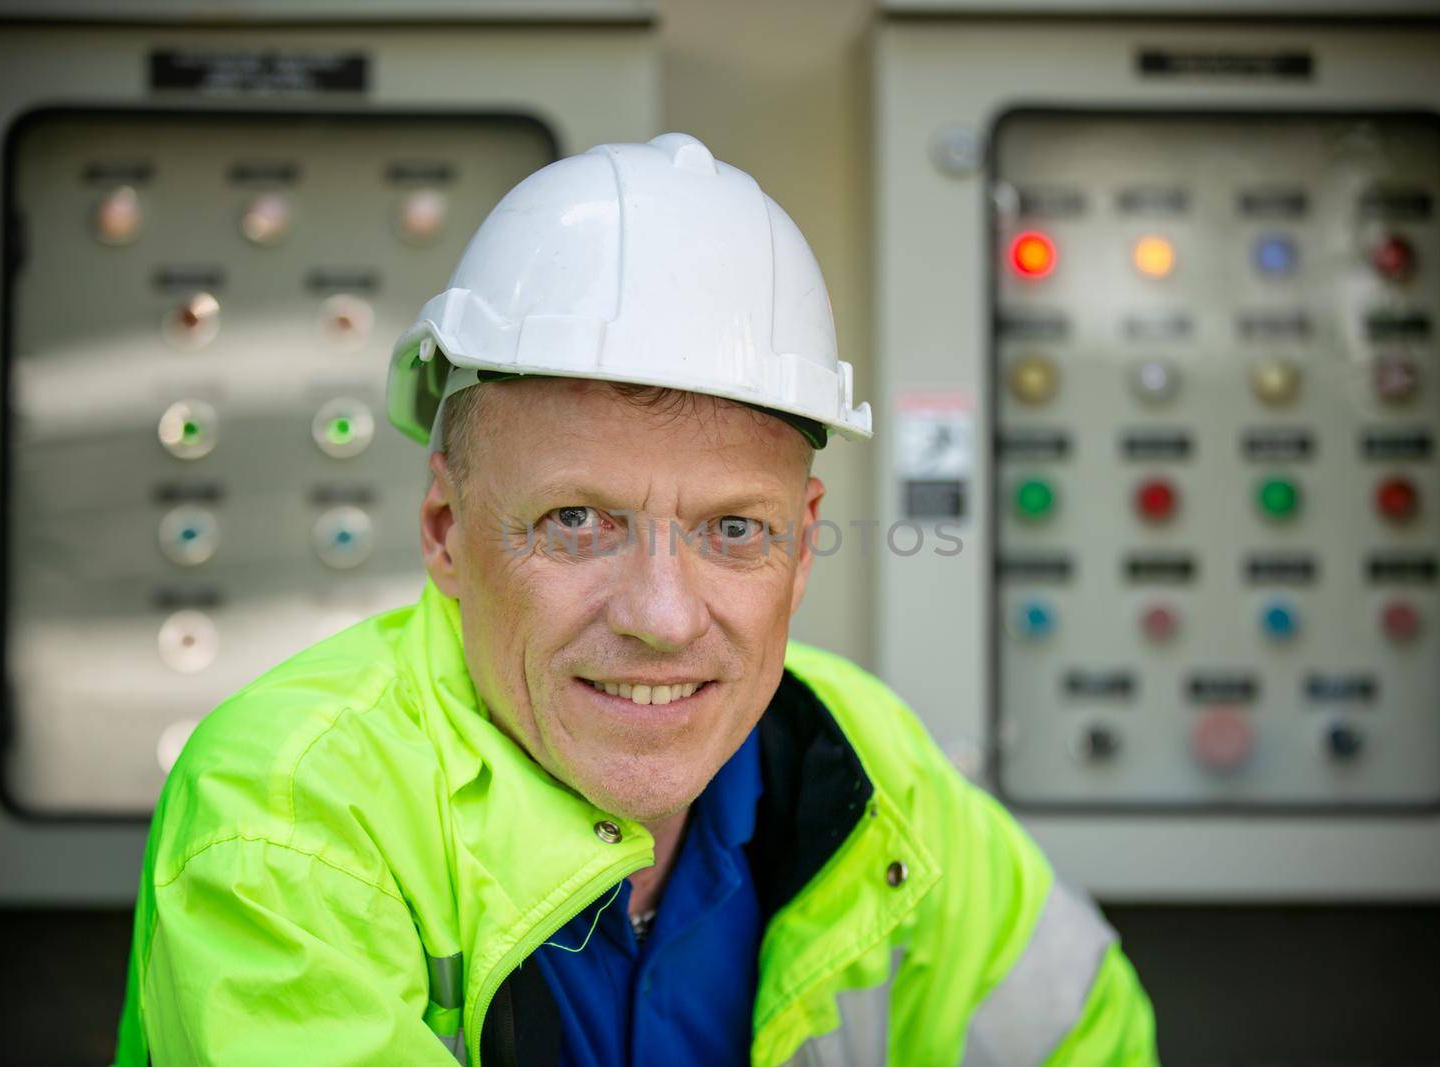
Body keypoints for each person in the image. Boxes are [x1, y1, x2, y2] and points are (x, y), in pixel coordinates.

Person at [114, 133, 1157, 1066]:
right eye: (576, 519)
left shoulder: (871, 769)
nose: (660, 615)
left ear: (798, 551)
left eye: (732, 530)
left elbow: (1087, 1037)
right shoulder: (288, 816)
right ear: (444, 531)